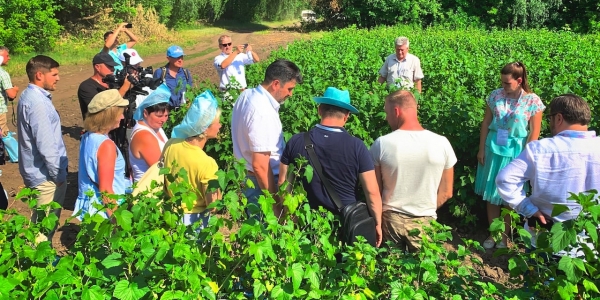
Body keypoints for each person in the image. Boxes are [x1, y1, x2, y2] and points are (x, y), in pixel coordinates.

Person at [496, 94, 600, 256]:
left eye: (550, 118)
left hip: (545, 237)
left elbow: (504, 180)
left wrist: (528, 209)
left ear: (558, 118)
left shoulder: (540, 149)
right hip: (590, 244)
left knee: (541, 277)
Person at [280, 87, 383, 246]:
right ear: (347, 116)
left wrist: (291, 216)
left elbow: (284, 184)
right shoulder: (357, 146)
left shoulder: (296, 141)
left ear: (319, 110)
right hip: (346, 224)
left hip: (308, 224)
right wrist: (377, 224)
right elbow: (372, 192)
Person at [370, 90, 456, 252]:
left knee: (391, 270)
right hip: (425, 221)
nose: (387, 118)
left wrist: (377, 223)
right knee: (423, 272)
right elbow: (447, 192)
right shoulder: (442, 143)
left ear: (396, 111)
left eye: (387, 113)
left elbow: (375, 191)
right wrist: (425, 208)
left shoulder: (382, 144)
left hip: (391, 221)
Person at [475, 61, 545, 249]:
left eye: (507, 83)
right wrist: (481, 148)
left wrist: (525, 160)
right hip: (494, 149)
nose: (504, 87)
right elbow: (485, 123)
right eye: (502, 82)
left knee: (509, 197)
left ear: (519, 80)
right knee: (492, 195)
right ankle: (493, 234)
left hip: (516, 153)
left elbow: (534, 133)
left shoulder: (533, 101)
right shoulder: (495, 96)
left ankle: (505, 238)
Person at [231, 59, 302, 218]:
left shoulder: (247, 95)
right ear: (276, 84)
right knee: (266, 234)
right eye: (289, 89)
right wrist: (276, 205)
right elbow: (260, 166)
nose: (290, 94)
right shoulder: (261, 111)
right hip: (262, 184)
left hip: (251, 180)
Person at [17, 55, 67, 243]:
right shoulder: (38, 103)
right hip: (46, 176)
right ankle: (37, 266)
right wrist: (59, 176)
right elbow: (46, 145)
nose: (58, 78)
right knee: (43, 229)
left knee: (40, 224)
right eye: (54, 74)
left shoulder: (29, 96)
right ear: (40, 75)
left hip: (38, 172)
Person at [163, 90, 222, 227]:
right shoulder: (207, 163)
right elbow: (212, 205)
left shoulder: (171, 144)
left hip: (171, 216)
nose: (220, 126)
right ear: (205, 129)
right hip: (195, 221)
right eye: (217, 123)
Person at [74, 90, 132, 220]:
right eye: (120, 113)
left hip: (90, 206)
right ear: (109, 115)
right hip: (104, 212)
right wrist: (117, 221)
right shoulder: (106, 146)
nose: (122, 117)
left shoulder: (88, 136)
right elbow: (106, 190)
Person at [129, 84, 170, 182]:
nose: (163, 120)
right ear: (145, 113)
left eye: (166, 115)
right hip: (148, 191)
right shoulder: (144, 135)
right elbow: (160, 169)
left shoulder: (156, 127)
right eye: (159, 116)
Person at [77, 52, 131, 119]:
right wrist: (124, 88)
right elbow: (102, 109)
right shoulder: (86, 87)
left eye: (113, 66)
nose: (113, 69)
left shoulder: (113, 83)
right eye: (110, 66)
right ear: (97, 67)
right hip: (99, 127)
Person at [0, 46, 19, 137]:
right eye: (7, 56)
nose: (9, 58)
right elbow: (11, 95)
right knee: (4, 135)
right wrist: (15, 89)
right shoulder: (3, 73)